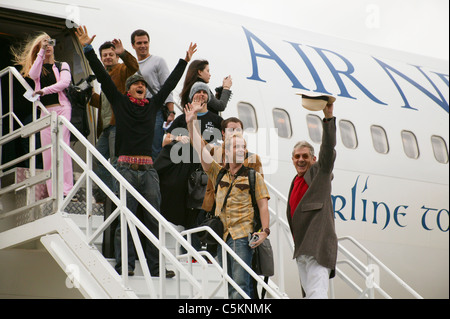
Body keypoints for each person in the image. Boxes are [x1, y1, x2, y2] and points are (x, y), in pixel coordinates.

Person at [75, 25, 197, 277]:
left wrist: (184, 61)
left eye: (143, 83)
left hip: (148, 172)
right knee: (125, 220)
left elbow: (169, 85)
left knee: (153, 221)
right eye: (136, 83)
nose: (141, 85)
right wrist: (88, 49)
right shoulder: (120, 104)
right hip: (126, 171)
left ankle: (156, 267)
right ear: (129, 89)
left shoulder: (152, 106)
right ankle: (125, 266)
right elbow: (103, 75)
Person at [185, 98, 270, 299]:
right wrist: (191, 123)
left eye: (243, 147)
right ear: (227, 151)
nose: (240, 150)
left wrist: (264, 231)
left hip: (242, 235)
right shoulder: (219, 173)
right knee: (231, 283)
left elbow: (263, 205)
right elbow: (200, 148)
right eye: (235, 147)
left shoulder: (253, 176)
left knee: (240, 284)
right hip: (222, 235)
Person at [156, 82, 223, 250]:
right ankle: (188, 250)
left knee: (201, 214)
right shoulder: (180, 119)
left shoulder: (216, 120)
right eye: (197, 92)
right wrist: (178, 138)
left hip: (205, 172)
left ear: (208, 96)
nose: (201, 94)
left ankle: (201, 251)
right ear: (192, 96)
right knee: (184, 211)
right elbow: (164, 141)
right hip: (184, 172)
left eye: (204, 92)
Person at [286, 102, 338, 299]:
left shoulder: (319, 174)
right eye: (297, 156)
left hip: (317, 245)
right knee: (309, 294)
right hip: (302, 249)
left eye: (305, 156)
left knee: (317, 292)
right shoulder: (295, 182)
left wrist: (328, 118)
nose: (301, 160)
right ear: (292, 159)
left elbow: (327, 149)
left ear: (313, 159)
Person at [12, 32, 73, 197]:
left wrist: (44, 91)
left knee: (63, 146)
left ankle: (67, 189)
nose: (48, 47)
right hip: (46, 112)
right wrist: (41, 51)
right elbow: (32, 75)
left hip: (62, 108)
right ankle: (53, 190)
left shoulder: (62, 65)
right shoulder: (38, 67)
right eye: (44, 45)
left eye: (50, 44)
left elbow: (64, 83)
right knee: (48, 151)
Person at [90, 40, 139, 203]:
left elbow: (134, 68)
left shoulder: (121, 69)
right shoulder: (104, 75)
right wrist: (89, 96)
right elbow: (105, 103)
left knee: (116, 161)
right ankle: (109, 193)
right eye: (105, 55)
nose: (108, 57)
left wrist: (123, 53)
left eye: (111, 54)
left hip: (118, 125)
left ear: (116, 56)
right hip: (105, 127)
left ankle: (118, 197)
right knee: (97, 159)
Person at [201, 116, 264, 214]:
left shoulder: (253, 159)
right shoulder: (216, 151)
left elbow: (260, 190)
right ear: (223, 133)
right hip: (212, 208)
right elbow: (200, 146)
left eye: (238, 130)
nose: (235, 133)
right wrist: (192, 122)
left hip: (239, 210)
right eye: (231, 130)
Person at [131, 29, 176, 160]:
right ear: (133, 45)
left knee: (155, 147)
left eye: (145, 42)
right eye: (139, 43)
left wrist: (171, 111)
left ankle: (155, 178)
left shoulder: (158, 61)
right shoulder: (131, 65)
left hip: (154, 109)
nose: (143, 46)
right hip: (137, 110)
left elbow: (167, 87)